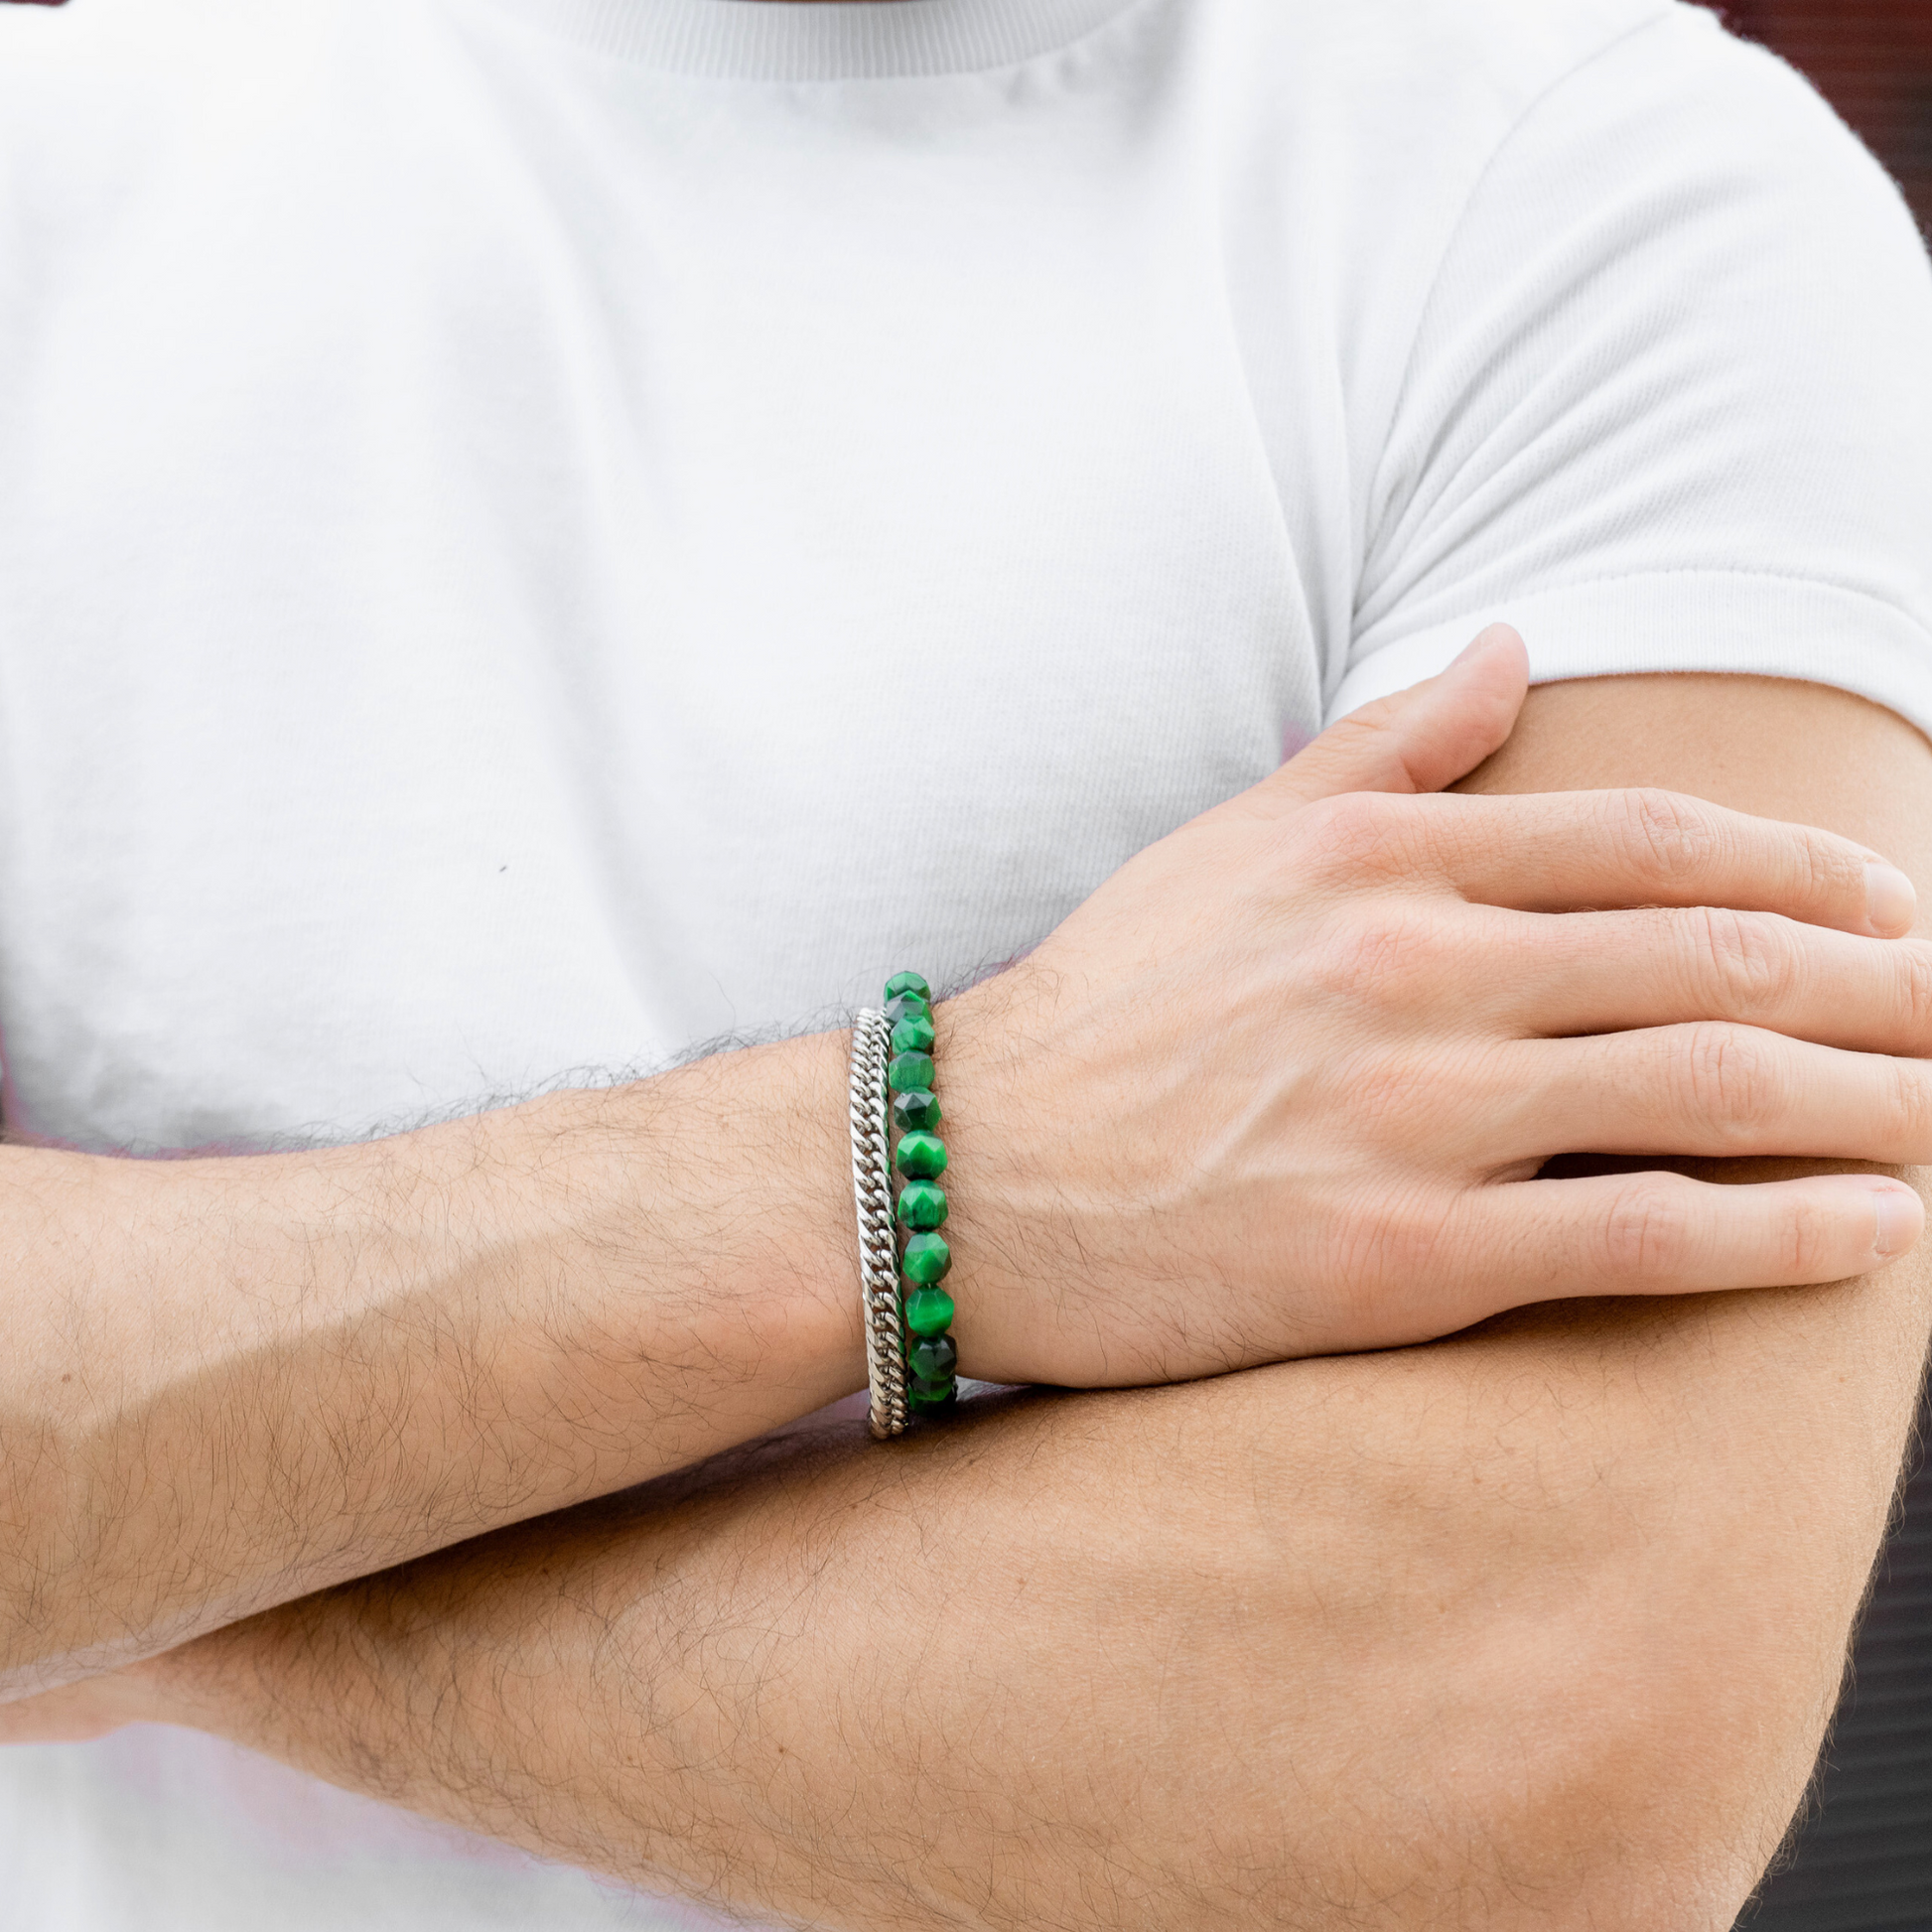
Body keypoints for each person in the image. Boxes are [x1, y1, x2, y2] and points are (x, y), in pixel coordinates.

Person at [0, 0, 1928, 1926]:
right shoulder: (50, 167)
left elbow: (1516, 1727)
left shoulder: (1606, 201)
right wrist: (971, 1160)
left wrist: (142, 1579)